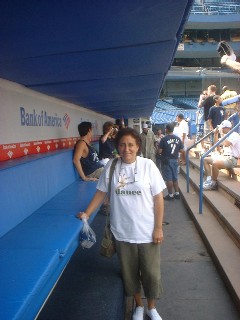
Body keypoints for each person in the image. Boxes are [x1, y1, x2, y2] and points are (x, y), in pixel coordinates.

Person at [76, 127, 166, 320]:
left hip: (147, 231)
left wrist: (158, 227)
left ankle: (151, 307)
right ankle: (139, 306)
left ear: (138, 146)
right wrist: (87, 212)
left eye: (131, 145)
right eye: (123, 145)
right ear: (117, 147)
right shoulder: (112, 166)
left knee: (151, 274)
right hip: (122, 232)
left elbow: (159, 198)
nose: (127, 149)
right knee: (130, 274)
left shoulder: (148, 165)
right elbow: (101, 192)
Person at [203, 120, 240, 191]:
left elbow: (226, 144)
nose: (221, 129)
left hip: (232, 159)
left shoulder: (234, 135)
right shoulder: (225, 135)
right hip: (224, 156)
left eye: (223, 128)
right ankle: (209, 180)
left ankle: (213, 184)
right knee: (205, 159)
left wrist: (221, 133)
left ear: (228, 128)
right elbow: (216, 145)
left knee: (215, 164)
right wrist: (216, 134)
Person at [158, 123, 184, 200]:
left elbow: (159, 151)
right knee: (175, 178)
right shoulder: (178, 139)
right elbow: (182, 150)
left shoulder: (164, 139)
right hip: (175, 160)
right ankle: (177, 193)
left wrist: (157, 147)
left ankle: (170, 195)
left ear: (167, 129)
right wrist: (183, 160)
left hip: (166, 160)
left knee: (169, 179)